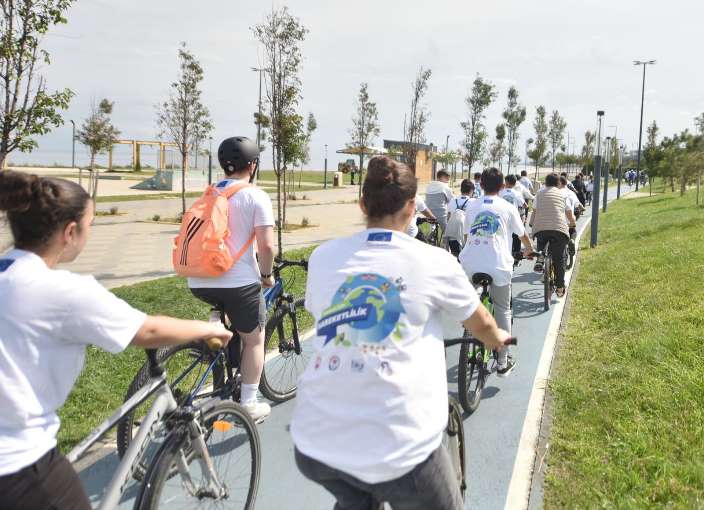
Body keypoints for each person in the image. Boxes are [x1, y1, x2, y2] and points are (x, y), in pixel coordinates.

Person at [0, 171, 233, 510]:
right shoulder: (63, 291)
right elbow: (146, 331)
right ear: (70, 232)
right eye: (90, 225)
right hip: (19, 463)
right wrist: (207, 329)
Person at [291, 156, 512, 510]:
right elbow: (481, 323)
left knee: (354, 494)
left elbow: (324, 313)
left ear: (362, 204)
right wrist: (496, 340)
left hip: (314, 444)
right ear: (411, 209)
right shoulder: (435, 261)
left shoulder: (323, 256)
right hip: (400, 449)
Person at [188, 136, 275, 422]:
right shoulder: (255, 195)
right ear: (253, 165)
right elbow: (266, 246)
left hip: (198, 279)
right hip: (238, 283)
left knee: (227, 307)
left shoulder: (210, 193)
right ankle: (248, 403)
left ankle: (216, 326)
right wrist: (266, 275)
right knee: (254, 340)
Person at [459, 168, 534, 377]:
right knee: (503, 309)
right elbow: (522, 235)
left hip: (469, 263)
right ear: (502, 186)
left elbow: (467, 236)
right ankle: (502, 361)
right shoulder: (508, 207)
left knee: (472, 299)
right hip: (498, 266)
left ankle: (470, 321)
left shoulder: (471, 206)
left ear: (480, 185)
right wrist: (529, 250)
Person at [530, 173, 577, 298]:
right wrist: (573, 223)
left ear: (545, 182)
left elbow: (534, 211)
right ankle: (560, 288)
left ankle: (540, 257)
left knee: (541, 240)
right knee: (559, 259)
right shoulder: (563, 194)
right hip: (559, 229)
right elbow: (569, 213)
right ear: (558, 183)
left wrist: (531, 224)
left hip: (540, 228)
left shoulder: (539, 193)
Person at [444, 179, 474, 257]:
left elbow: (448, 219)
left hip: (452, 237)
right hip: (466, 239)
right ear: (471, 190)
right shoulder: (473, 202)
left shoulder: (453, 200)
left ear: (461, 189)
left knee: (454, 257)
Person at [500, 174, 528, 254]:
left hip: (502, 217)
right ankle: (517, 253)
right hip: (513, 217)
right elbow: (525, 205)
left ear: (505, 182)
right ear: (515, 183)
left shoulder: (500, 192)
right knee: (518, 233)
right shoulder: (517, 193)